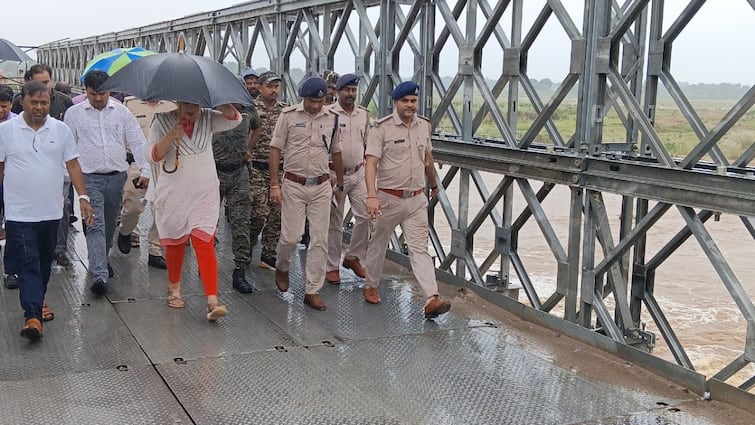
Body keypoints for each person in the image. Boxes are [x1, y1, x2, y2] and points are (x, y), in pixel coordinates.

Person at [0, 81, 93, 340]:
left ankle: (36, 301)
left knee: (43, 261)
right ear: (23, 102)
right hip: (19, 213)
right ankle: (32, 315)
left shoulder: (60, 130)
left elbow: (73, 165)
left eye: (44, 103)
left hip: (52, 211)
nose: (40, 107)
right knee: (28, 262)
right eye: (35, 102)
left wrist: (83, 196)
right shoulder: (6, 131)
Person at [363, 81, 452, 319]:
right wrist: (371, 196)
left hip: (416, 199)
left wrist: (433, 185)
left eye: (413, 101)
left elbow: (428, 158)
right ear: (396, 102)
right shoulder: (381, 129)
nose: (410, 105)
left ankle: (431, 298)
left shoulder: (424, 126)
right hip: (388, 199)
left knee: (419, 249)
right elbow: (370, 163)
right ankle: (371, 283)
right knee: (378, 243)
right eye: (406, 101)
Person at [147, 101, 241, 321]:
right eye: (186, 103)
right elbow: (152, 155)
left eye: (195, 103)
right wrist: (171, 135)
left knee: (204, 241)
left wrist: (219, 99)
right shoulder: (161, 120)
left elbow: (234, 119)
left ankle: (212, 300)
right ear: (178, 101)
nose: (191, 108)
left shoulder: (208, 117)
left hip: (204, 191)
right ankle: (174, 288)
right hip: (174, 191)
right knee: (176, 241)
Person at [64, 71, 150, 296]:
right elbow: (68, 148)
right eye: (93, 94)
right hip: (89, 178)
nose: (98, 98)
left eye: (102, 93)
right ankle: (100, 274)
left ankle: (99, 259)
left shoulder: (122, 113)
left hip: (116, 177)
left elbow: (138, 142)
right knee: (95, 224)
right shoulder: (74, 114)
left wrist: (146, 170)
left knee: (110, 224)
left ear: (110, 91)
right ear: (86, 91)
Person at [269, 76, 344, 311]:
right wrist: (274, 184)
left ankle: (312, 289)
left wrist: (340, 182)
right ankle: (282, 265)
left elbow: (337, 151)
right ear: (304, 98)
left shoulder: (332, 118)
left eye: (320, 101)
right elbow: (275, 148)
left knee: (319, 239)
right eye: (312, 101)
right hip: (293, 183)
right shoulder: (289, 116)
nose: (315, 106)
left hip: (321, 185)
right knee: (291, 236)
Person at [6, 64, 73, 286]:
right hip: (21, 194)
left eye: (47, 82)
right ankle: (18, 277)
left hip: (56, 176)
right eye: (39, 83)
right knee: (27, 251)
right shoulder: (14, 115)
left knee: (61, 211)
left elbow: (72, 150)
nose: (44, 87)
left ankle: (59, 250)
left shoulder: (64, 102)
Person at [116, 96, 175, 269]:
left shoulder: (172, 105)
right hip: (137, 164)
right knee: (133, 207)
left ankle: (155, 250)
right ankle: (126, 231)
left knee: (161, 209)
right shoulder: (129, 103)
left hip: (164, 164)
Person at [325, 74, 370, 284]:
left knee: (366, 216)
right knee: (334, 222)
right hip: (334, 175)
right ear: (338, 92)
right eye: (347, 90)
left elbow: (368, 143)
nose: (351, 94)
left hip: (359, 172)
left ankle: (352, 257)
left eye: (354, 90)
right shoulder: (329, 113)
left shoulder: (364, 114)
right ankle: (332, 266)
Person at [212, 102, 258, 294]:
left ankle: (239, 270)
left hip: (239, 172)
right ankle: (208, 261)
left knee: (241, 223)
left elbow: (257, 127)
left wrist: (249, 148)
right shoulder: (211, 110)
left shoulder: (248, 111)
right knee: (208, 223)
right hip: (213, 172)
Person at [249, 71, 287, 270]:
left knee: (277, 213)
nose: (274, 91)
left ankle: (268, 253)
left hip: (280, 169)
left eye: (276, 87)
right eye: (270, 87)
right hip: (256, 166)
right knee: (259, 212)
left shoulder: (285, 111)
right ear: (261, 88)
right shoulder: (252, 109)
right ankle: (248, 242)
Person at [0, 84, 16, 244]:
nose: (0, 110)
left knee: (12, 213)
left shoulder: (18, 122)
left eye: (4, 106)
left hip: (12, 177)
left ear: (11, 104)